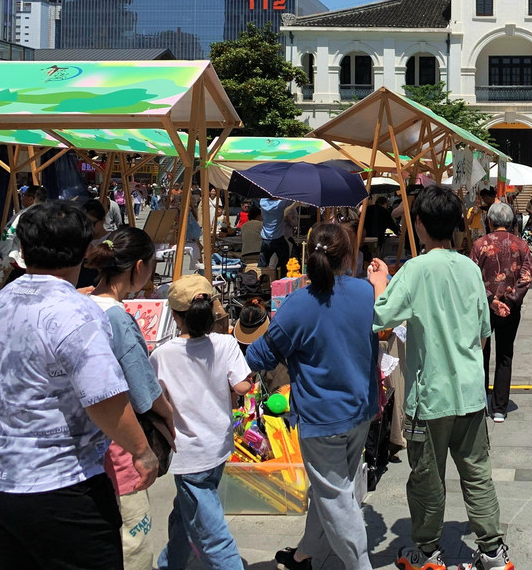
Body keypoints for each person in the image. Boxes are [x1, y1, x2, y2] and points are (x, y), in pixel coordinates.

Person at [0, 201, 159, 570]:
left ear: (24, 250)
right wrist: (142, 451)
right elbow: (103, 399)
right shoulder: (77, 312)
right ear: (82, 251)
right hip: (63, 485)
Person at [367, 185, 511, 570]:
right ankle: (493, 550)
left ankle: (428, 552)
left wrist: (380, 281)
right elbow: (484, 332)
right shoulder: (468, 266)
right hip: (469, 393)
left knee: (427, 478)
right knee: (477, 473)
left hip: (429, 397)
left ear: (419, 223)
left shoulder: (415, 269)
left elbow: (381, 316)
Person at [247, 223, 380, 570]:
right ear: (348, 257)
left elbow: (259, 357)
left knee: (336, 497)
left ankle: (359, 565)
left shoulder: (297, 305)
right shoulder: (366, 293)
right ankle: (306, 553)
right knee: (334, 490)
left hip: (322, 419)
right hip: (361, 410)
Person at [86, 227, 175, 570]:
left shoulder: (81, 305)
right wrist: (168, 414)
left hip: (83, 449)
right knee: (133, 542)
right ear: (139, 267)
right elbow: (143, 389)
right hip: (119, 446)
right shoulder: (118, 319)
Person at [150, 275, 252, 570]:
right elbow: (242, 387)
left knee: (211, 534)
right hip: (218, 446)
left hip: (189, 453)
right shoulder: (225, 344)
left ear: (175, 316)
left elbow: (155, 399)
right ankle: (171, 562)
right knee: (186, 511)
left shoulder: (162, 355)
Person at [471, 202, 532, 423]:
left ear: (490, 221)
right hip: (511, 308)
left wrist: (490, 299)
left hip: (484, 307)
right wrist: (511, 299)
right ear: (511, 222)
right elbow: (526, 278)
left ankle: (480, 399)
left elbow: (472, 277)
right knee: (505, 354)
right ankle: (499, 407)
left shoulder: (480, 245)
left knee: (481, 352)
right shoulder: (521, 245)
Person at [0, 184, 45, 267]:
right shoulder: (52, 215)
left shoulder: (22, 215)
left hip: (21, 262)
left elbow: (8, 235)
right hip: (45, 262)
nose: (22, 198)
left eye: (24, 195)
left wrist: (5, 256)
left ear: (31, 199)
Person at [259, 196, 293, 268]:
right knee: (285, 263)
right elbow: (291, 199)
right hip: (278, 239)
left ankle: (262, 278)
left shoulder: (263, 202)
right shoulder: (280, 204)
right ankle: (283, 276)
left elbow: (264, 197)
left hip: (266, 239)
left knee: (263, 263)